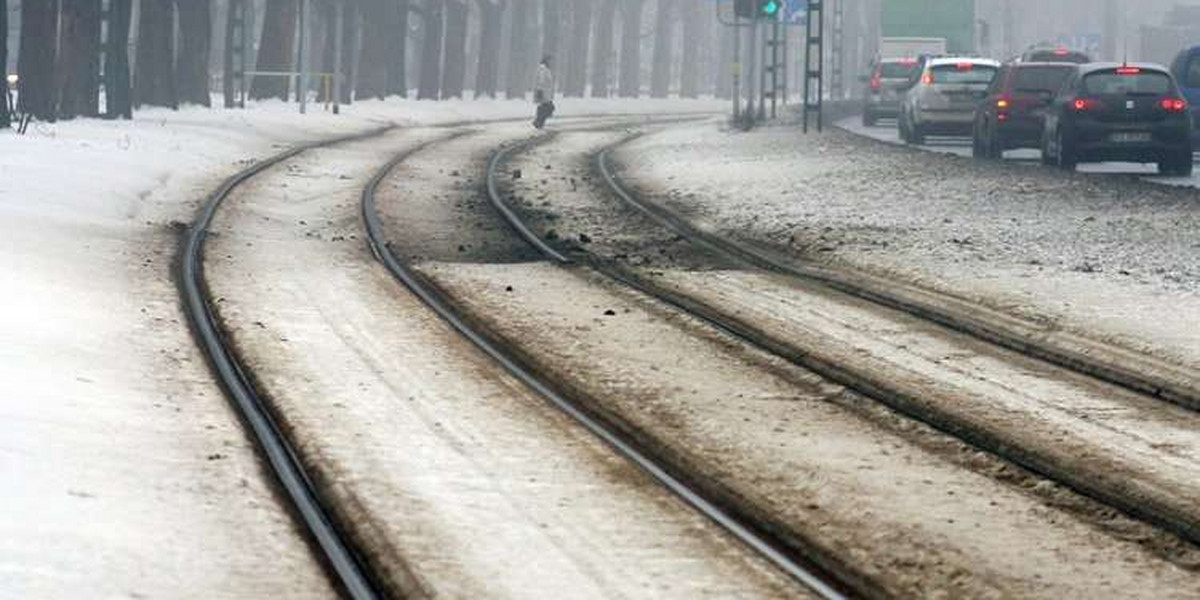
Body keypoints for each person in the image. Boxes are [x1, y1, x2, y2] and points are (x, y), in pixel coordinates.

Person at [533, 54, 556, 129]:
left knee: (545, 107)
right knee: (548, 107)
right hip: (543, 92)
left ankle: (539, 123)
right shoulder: (543, 69)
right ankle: (538, 122)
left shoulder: (546, 69)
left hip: (546, 93)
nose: (551, 62)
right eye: (549, 60)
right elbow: (541, 80)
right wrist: (540, 91)